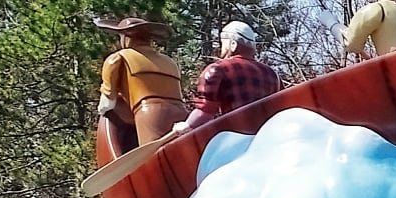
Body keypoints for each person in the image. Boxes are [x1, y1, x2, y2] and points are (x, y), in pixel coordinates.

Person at [96, 14, 188, 152]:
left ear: (126, 38)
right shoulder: (169, 62)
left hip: (151, 114)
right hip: (182, 113)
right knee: (182, 155)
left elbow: (107, 102)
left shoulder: (119, 58)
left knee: (153, 159)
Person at [185, 22, 281, 129]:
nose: (221, 48)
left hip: (234, 139)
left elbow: (205, 111)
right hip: (266, 137)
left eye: (223, 43)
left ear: (233, 44)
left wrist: (186, 126)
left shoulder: (218, 69)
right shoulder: (273, 75)